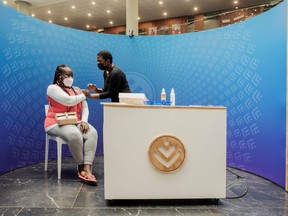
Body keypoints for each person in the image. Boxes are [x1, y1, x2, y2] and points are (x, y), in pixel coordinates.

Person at [44, 64, 98, 185]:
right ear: (59, 76)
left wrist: (84, 121)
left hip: (75, 121)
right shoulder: (52, 88)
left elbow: (85, 108)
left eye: (72, 75)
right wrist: (84, 95)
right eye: (67, 75)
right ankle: (80, 167)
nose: (70, 77)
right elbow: (67, 100)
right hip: (55, 123)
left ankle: (87, 168)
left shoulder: (77, 90)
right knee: (74, 135)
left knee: (92, 133)